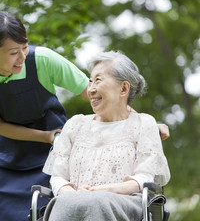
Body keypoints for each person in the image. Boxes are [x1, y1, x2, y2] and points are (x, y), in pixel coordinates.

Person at [0, 11, 89, 220]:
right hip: (3, 160)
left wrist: (139, 122)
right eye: (13, 52)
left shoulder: (43, 60)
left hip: (54, 152)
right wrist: (43, 136)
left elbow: (95, 93)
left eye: (24, 48)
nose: (22, 58)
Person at [42, 51, 171, 221]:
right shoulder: (75, 125)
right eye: (90, 82)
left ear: (123, 88)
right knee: (66, 202)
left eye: (98, 80)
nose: (91, 89)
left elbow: (143, 178)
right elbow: (58, 177)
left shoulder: (143, 124)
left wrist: (99, 192)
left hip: (125, 204)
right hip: (74, 201)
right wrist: (75, 195)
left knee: (98, 202)